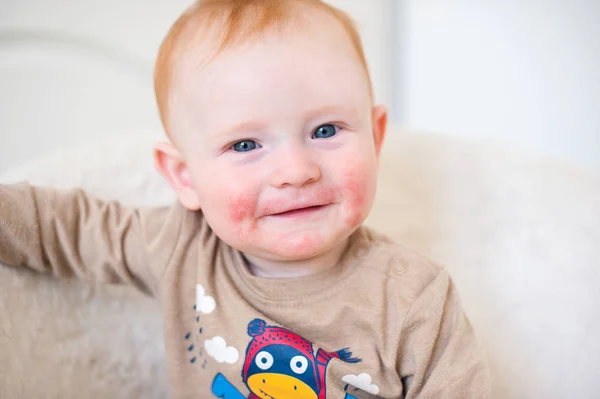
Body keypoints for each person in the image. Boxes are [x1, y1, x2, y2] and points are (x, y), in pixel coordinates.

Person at [0, 0, 490, 397]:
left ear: (376, 138)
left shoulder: (414, 298)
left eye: (325, 130)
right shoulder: (184, 248)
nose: (296, 171)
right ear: (185, 178)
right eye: (245, 145)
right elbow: (60, 227)